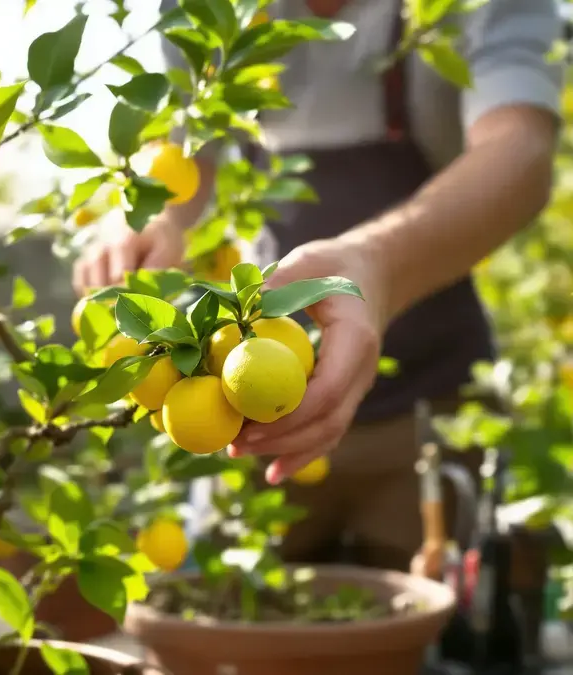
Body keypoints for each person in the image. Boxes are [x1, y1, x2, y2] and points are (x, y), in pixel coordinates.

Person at [74, 0, 563, 571]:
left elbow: (520, 151)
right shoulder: (209, 11)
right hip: (254, 401)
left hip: (428, 400)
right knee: (253, 605)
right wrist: (153, 214)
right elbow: (188, 147)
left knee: (414, 610)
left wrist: (376, 265)